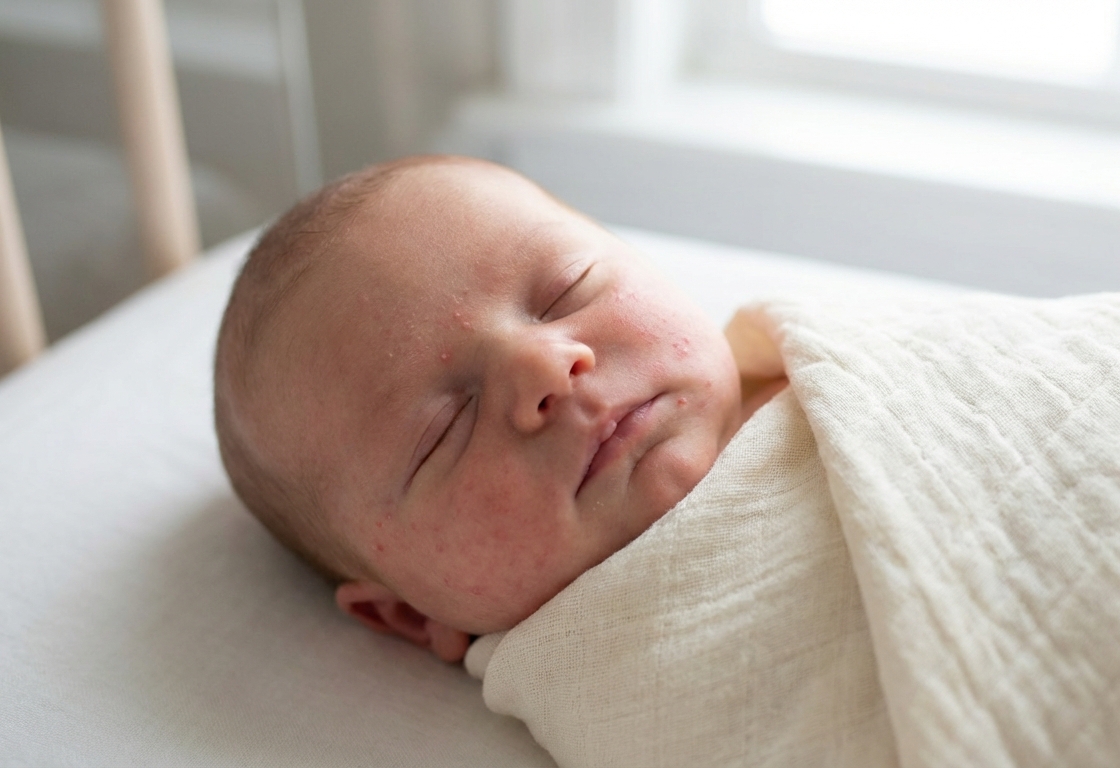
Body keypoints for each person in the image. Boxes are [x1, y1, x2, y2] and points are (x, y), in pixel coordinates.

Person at [214, 155, 785, 663]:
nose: (545, 367)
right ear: (412, 613)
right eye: (444, 430)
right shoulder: (595, 684)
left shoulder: (809, 369)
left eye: (567, 289)